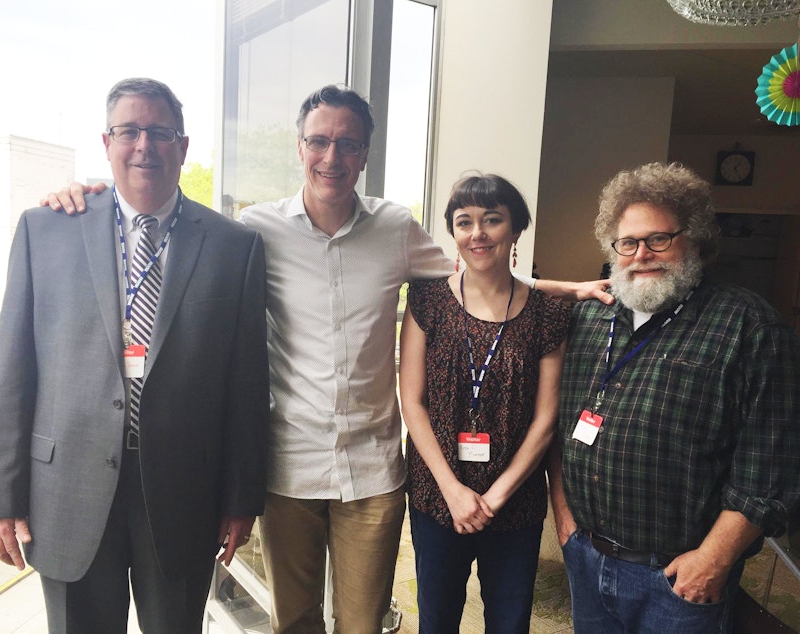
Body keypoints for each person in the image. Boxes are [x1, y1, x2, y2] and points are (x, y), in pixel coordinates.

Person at [44, 84, 613, 633]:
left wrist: (568, 289)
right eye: (318, 141)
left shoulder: (394, 227)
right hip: (289, 468)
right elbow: (176, 242)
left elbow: (481, 272)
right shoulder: (254, 231)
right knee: (292, 620)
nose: (331, 156)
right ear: (300, 147)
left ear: (364, 153)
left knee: (362, 623)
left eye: (347, 143)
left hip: (372, 473)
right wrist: (90, 198)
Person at [0, 78, 270, 633]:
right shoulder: (46, 229)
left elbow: (247, 386)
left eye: (160, 132)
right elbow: (13, 370)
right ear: (106, 142)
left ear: (182, 147)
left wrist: (240, 499)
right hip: (66, 490)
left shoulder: (235, 246)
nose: (144, 146)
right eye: (129, 131)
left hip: (183, 492)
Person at [548, 162, 800, 633]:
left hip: (678, 580)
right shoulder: (590, 320)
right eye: (628, 243)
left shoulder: (749, 327)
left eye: (659, 239)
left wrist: (714, 559)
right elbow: (561, 430)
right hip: (588, 558)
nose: (641, 254)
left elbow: (770, 471)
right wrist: (565, 522)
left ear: (697, 242)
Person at [399, 173, 568, 633]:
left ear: (515, 230)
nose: (478, 233)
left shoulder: (547, 313)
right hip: (438, 496)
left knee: (509, 622)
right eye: (464, 221)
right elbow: (411, 402)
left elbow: (545, 419)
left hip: (514, 502)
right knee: (436, 619)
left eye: (492, 220)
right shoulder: (428, 300)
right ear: (453, 233)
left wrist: (495, 496)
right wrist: (454, 491)